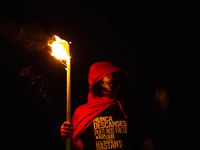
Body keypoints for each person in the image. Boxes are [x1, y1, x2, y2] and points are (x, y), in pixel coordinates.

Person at [60, 61, 154, 150]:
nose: (112, 78)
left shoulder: (130, 109)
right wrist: (68, 140)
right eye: (107, 75)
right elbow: (78, 147)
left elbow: (146, 142)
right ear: (96, 80)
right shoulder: (82, 113)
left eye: (115, 75)